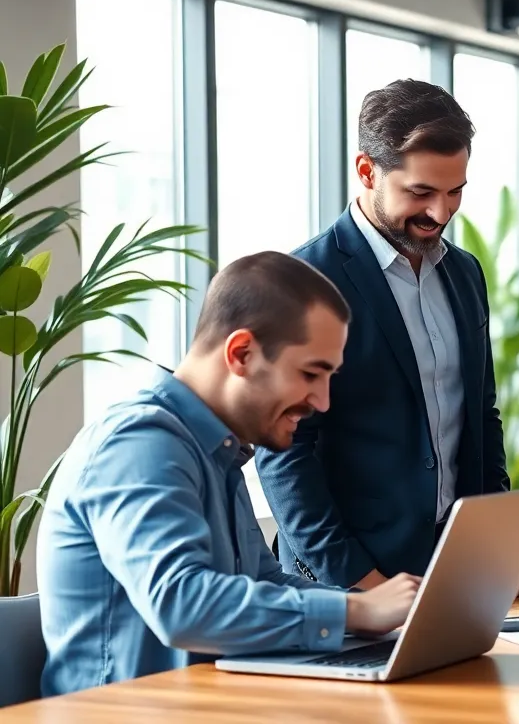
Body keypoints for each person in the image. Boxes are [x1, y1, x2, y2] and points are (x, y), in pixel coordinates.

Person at [36, 253, 422, 697]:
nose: (323, 401)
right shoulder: (140, 443)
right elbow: (180, 604)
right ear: (241, 353)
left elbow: (265, 582)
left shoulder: (218, 447)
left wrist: (375, 609)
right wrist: (354, 613)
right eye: (310, 373)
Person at [253, 80, 519, 595]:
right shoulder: (305, 279)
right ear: (366, 171)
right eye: (420, 192)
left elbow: (480, 419)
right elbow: (285, 454)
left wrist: (494, 553)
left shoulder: (464, 274)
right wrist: (362, 583)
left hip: (455, 575)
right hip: (345, 586)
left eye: (455, 191)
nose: (441, 213)